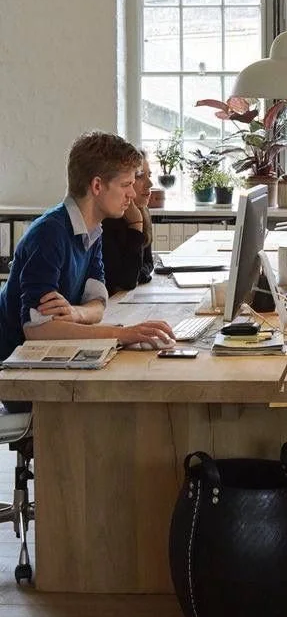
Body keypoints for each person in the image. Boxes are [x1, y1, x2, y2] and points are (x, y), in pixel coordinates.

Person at [0, 132, 175, 413]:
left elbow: (98, 303)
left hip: (53, 359)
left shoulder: (92, 229)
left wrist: (76, 313)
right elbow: (38, 330)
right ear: (97, 185)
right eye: (126, 184)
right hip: (24, 378)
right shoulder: (49, 234)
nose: (132, 194)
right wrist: (123, 334)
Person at [102, 150, 155, 293]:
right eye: (139, 177)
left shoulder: (142, 210)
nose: (150, 184)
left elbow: (148, 263)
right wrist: (136, 225)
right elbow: (127, 281)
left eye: (149, 175)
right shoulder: (108, 220)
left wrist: (139, 274)